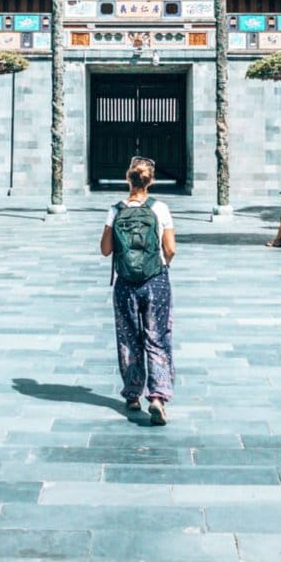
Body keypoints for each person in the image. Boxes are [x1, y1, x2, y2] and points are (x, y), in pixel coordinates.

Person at [100, 156, 177, 426]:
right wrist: (161, 263)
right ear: (151, 181)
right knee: (157, 337)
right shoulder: (160, 209)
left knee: (128, 339)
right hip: (156, 281)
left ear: (127, 178)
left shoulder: (116, 209)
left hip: (124, 284)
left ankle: (132, 394)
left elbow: (105, 249)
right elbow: (170, 249)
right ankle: (157, 397)